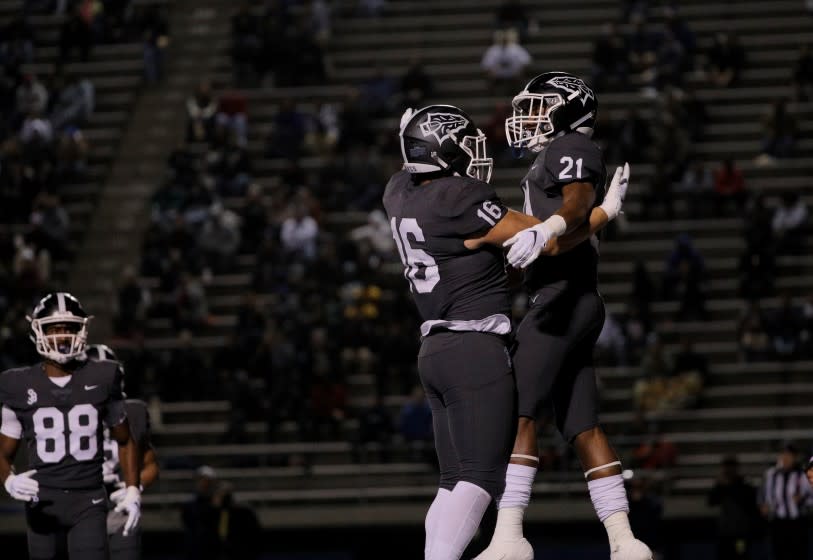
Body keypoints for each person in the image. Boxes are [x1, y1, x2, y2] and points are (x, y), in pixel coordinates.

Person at [384, 104, 629, 560]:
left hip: (432, 350)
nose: (474, 155)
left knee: (452, 480)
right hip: (473, 348)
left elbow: (406, 168)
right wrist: (604, 213)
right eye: (464, 146)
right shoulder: (460, 199)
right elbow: (549, 241)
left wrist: (410, 139)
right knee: (482, 476)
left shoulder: (397, 192)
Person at [475, 72, 651, 560]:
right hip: (574, 297)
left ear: (569, 110)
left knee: (517, 410)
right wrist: (586, 221)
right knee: (583, 425)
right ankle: (624, 540)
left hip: (560, 300)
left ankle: (509, 536)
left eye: (539, 106)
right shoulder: (553, 155)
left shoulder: (569, 145)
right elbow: (562, 236)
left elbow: (574, 205)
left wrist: (558, 223)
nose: (526, 116)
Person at [0, 293, 142, 560]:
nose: (62, 336)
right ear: (38, 330)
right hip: (44, 501)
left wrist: (133, 489)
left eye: (69, 328)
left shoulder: (103, 375)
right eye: (54, 328)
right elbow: (3, 451)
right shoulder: (17, 385)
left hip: (89, 499)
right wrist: (7, 479)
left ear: (82, 330)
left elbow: (125, 439)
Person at [86, 343, 159, 560]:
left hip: (120, 509)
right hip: (80, 509)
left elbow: (151, 464)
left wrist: (134, 487)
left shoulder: (133, 412)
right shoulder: (64, 414)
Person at [760, 443, 812, 560]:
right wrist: (764, 506)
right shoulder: (772, 474)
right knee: (780, 554)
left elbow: (811, 496)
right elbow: (765, 495)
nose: (786, 458)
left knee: (799, 555)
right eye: (784, 455)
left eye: (789, 455)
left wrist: (802, 499)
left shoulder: (803, 474)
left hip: (798, 523)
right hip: (779, 523)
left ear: (795, 457)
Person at [707, 455, 760, 560]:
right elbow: (711, 501)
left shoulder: (744, 483)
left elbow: (750, 501)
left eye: (731, 467)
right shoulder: (721, 485)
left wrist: (729, 485)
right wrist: (719, 485)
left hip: (740, 534)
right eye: (726, 467)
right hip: (725, 534)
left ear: (736, 468)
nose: (728, 470)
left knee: (741, 555)